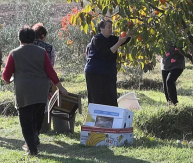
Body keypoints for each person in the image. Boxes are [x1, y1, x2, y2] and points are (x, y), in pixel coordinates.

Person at [2, 26, 68, 156]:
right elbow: (51, 72)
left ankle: (32, 149)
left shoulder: (14, 53)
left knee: (26, 121)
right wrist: (61, 88)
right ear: (33, 38)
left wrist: (9, 79)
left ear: (19, 39)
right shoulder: (42, 51)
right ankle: (35, 137)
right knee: (37, 117)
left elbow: (5, 76)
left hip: (23, 91)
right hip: (40, 90)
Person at [84, 19, 131, 106]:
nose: (110, 29)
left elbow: (125, 40)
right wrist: (119, 42)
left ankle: (110, 119)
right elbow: (106, 53)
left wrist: (129, 31)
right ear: (101, 28)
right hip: (95, 74)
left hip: (108, 74)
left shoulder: (111, 38)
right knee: (97, 101)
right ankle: (95, 119)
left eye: (111, 27)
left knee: (111, 100)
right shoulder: (97, 39)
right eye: (108, 27)